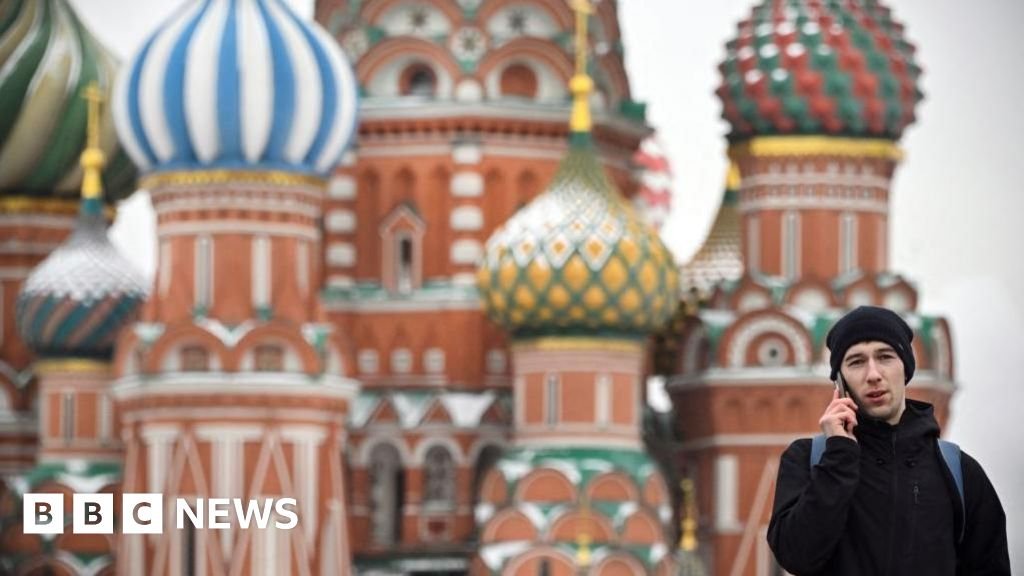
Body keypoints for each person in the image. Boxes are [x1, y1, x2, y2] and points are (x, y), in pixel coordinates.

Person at [767, 306, 1010, 575]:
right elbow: (796, 556)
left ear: (905, 368)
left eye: (885, 357)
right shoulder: (807, 460)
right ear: (840, 381)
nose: (873, 374)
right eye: (856, 362)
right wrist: (839, 457)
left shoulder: (959, 472)